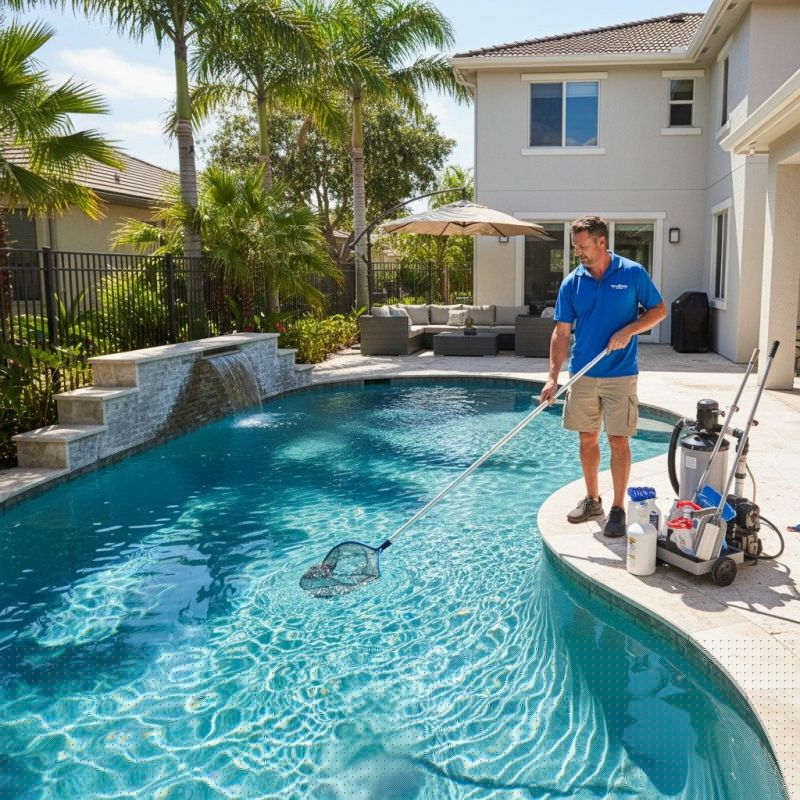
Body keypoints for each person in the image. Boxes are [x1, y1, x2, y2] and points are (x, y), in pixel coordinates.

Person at [540, 216, 667, 537]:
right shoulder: (572, 282)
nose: (578, 252)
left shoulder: (632, 273)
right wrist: (552, 377)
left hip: (620, 373)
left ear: (601, 242)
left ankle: (618, 508)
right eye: (575, 247)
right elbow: (561, 333)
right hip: (582, 373)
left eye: (583, 246)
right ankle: (593, 500)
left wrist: (630, 330)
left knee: (618, 440)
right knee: (587, 438)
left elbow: (658, 310)